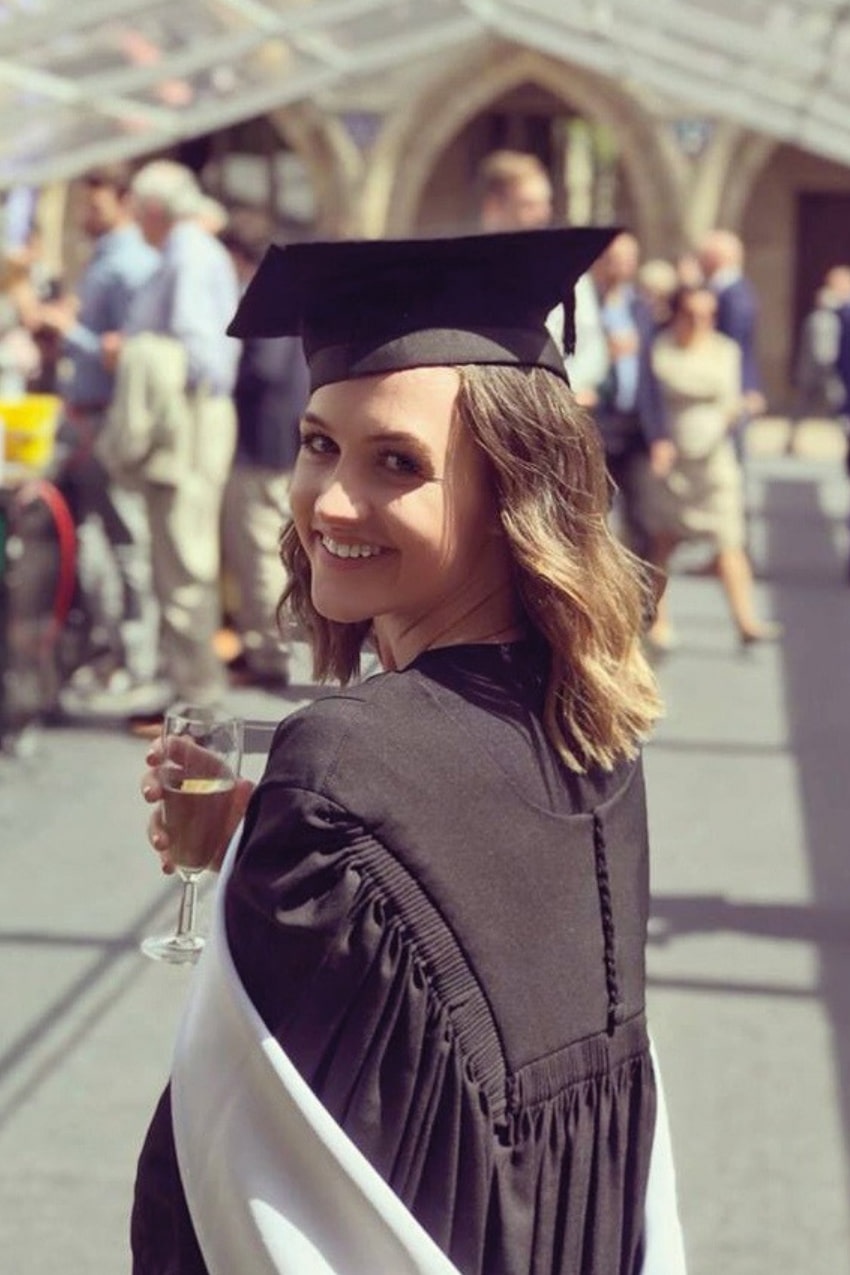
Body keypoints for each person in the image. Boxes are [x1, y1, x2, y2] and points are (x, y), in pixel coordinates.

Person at [131, 228, 687, 1275]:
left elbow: (240, 1176)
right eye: (316, 442)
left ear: (512, 493)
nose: (330, 502)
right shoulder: (595, 723)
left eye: (397, 463)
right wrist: (262, 840)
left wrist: (284, 832)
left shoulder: (341, 760)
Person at [97, 160, 241, 712]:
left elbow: (195, 354)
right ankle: (189, 683)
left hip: (190, 420)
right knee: (180, 554)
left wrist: (129, 352)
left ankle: (197, 694)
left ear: (152, 210)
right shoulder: (188, 251)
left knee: (184, 557)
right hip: (192, 418)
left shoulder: (187, 253)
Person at [34, 163, 163, 710]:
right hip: (83, 416)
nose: (85, 215)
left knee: (127, 543)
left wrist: (70, 331)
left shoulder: (131, 264)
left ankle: (138, 660)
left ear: (124, 201)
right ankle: (108, 651)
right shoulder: (105, 259)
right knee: (92, 542)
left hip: (107, 419)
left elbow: (127, 352)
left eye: (94, 204)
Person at [640, 285, 781, 651]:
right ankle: (660, 621)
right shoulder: (659, 347)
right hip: (672, 461)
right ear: (678, 314)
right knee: (663, 542)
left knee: (729, 540)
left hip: (715, 459)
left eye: (708, 315)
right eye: (693, 314)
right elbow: (657, 390)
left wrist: (735, 407)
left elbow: (734, 396)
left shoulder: (725, 349)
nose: (701, 322)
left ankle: (746, 620)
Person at [219, 217, 310, 689]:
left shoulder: (263, 294)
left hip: (263, 441)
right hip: (279, 439)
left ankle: (270, 655)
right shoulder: (290, 290)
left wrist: (227, 381)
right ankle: (269, 649)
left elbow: (267, 368)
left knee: (258, 549)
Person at [567, 232, 671, 558]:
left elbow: (650, 377)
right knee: (592, 514)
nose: (623, 265)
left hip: (634, 426)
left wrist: (660, 435)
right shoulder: (584, 303)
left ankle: (644, 606)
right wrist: (605, 354)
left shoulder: (639, 307)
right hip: (596, 422)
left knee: (645, 519)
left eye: (630, 258)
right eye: (617, 257)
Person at [697, 229, 765, 446]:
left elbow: (734, 344)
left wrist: (745, 388)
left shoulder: (733, 294)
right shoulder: (728, 290)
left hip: (729, 387)